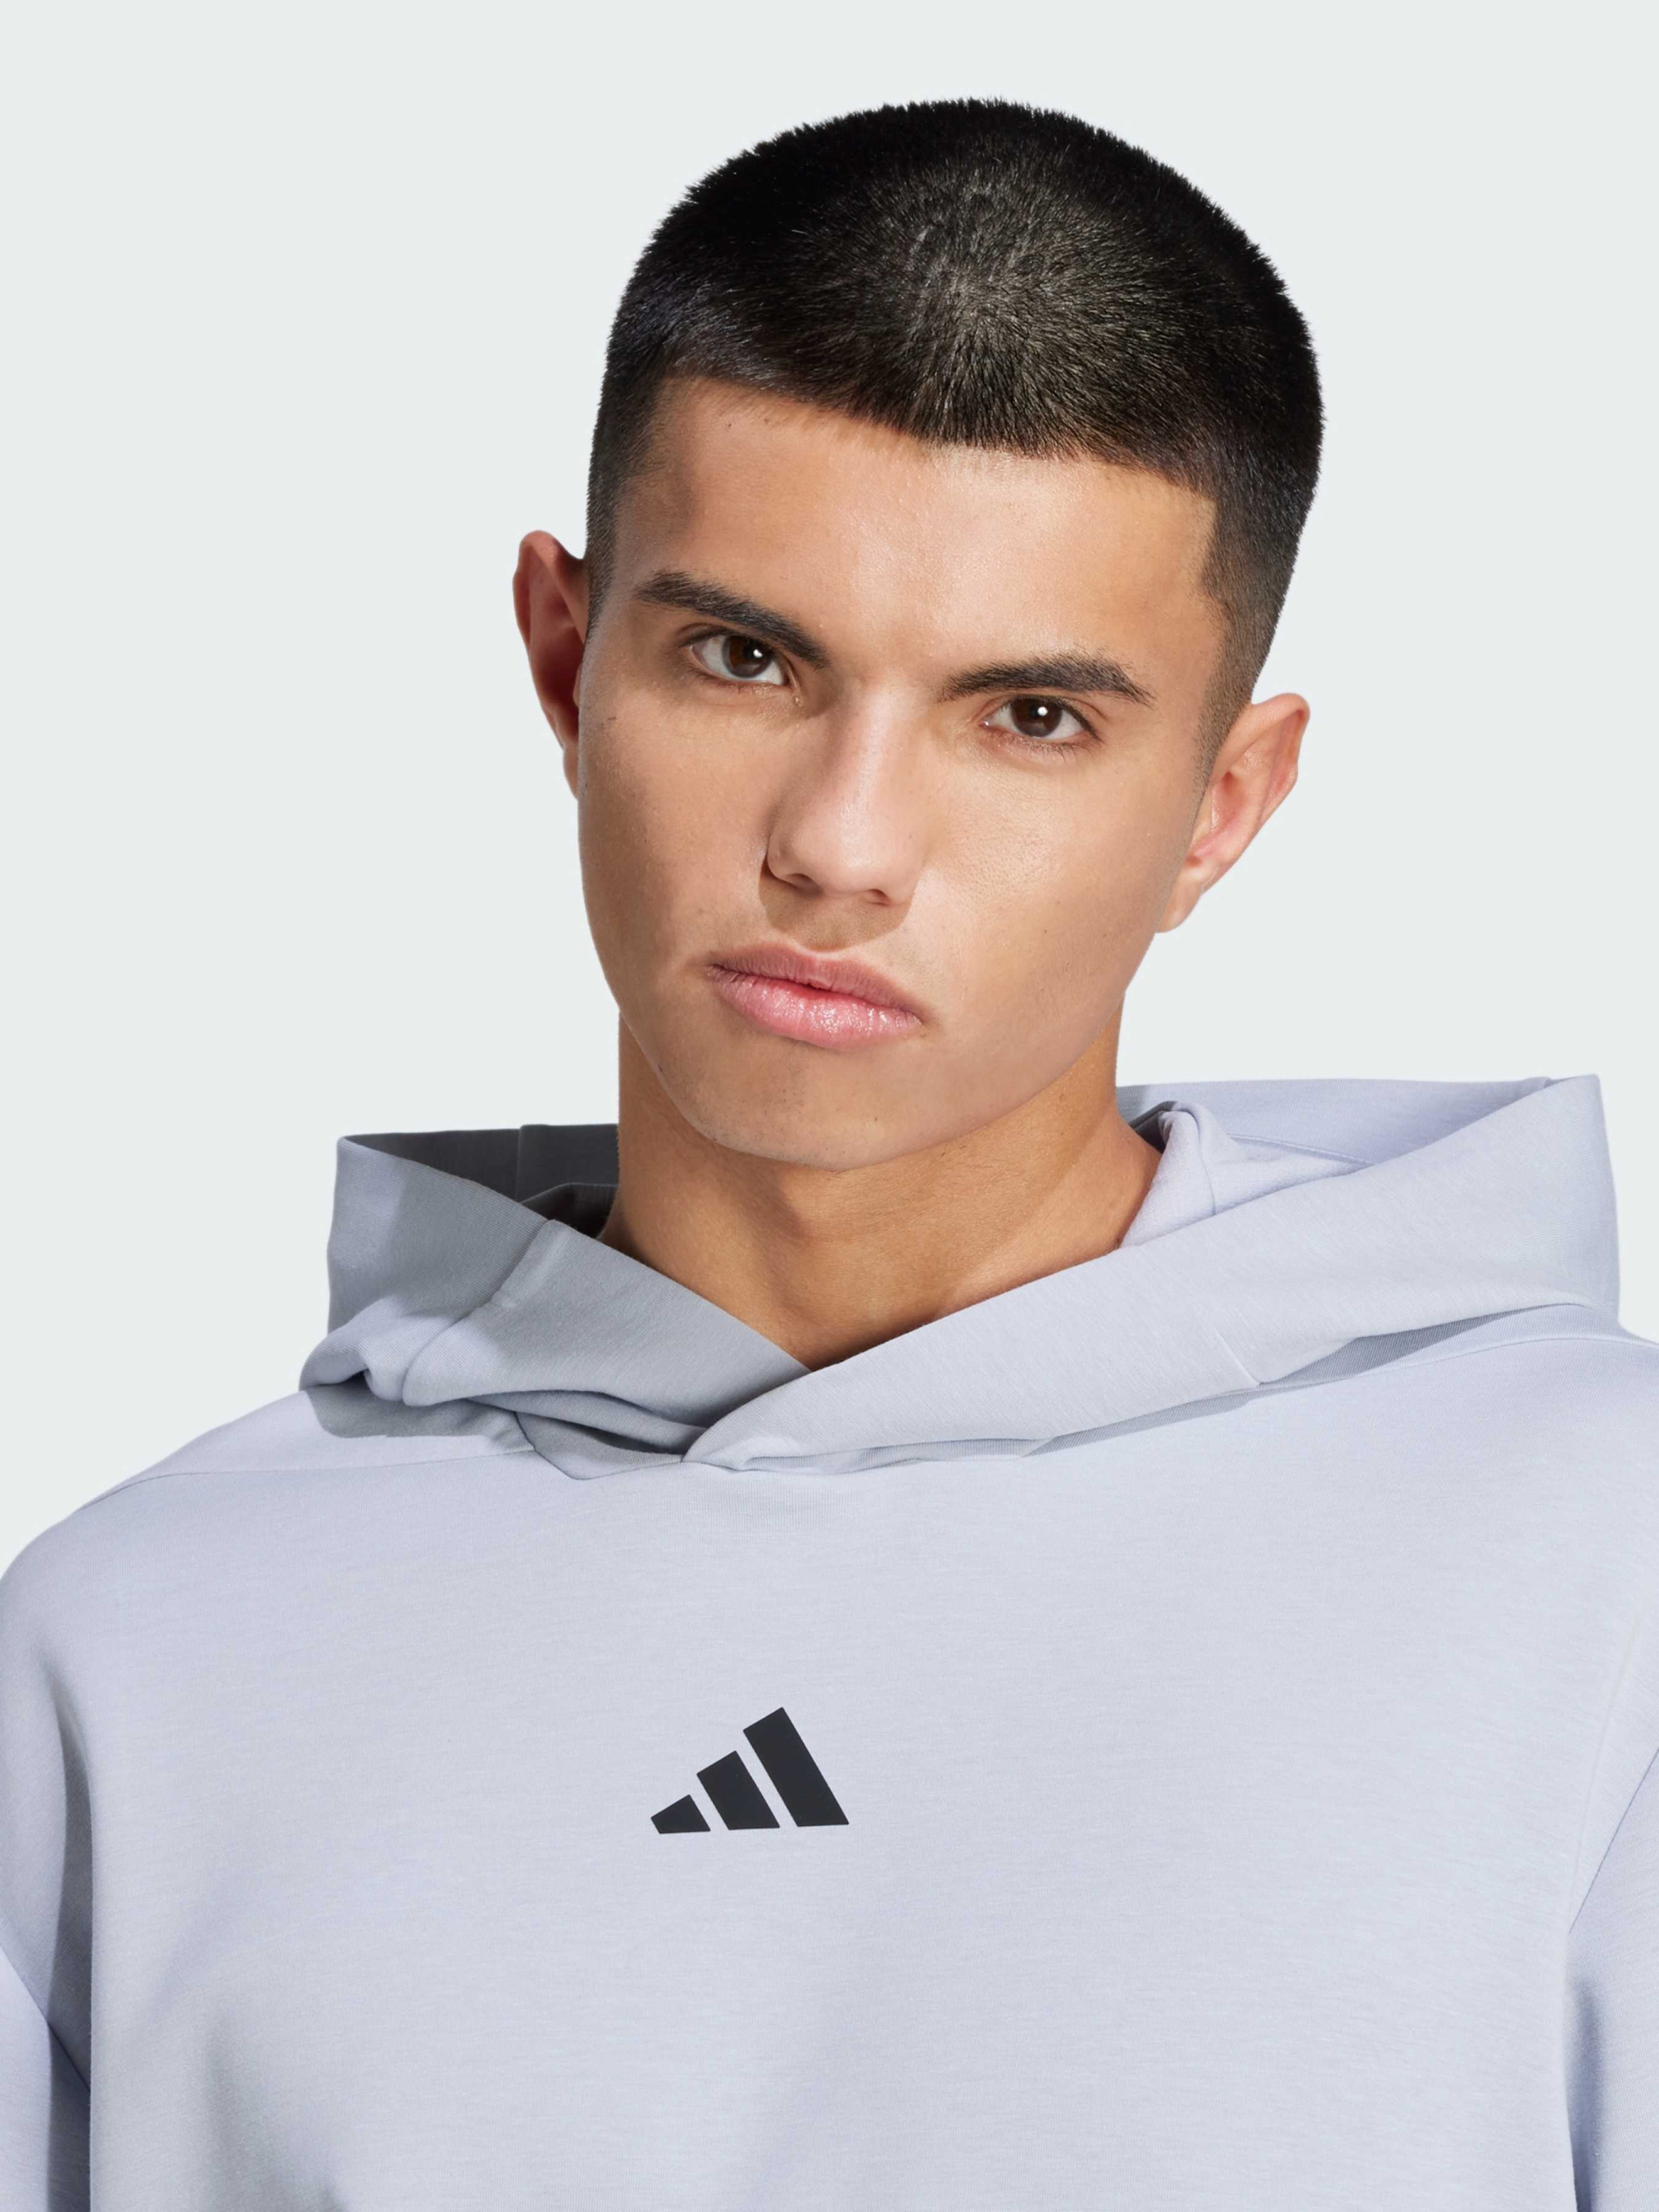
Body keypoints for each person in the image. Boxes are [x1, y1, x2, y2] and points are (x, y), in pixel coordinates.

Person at [1, 94, 1652, 2211]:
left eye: (1029, 717)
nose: (842, 846)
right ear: (564, 661)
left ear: (1222, 805)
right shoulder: (139, 1653)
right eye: (745, 657)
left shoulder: (1604, 1571)